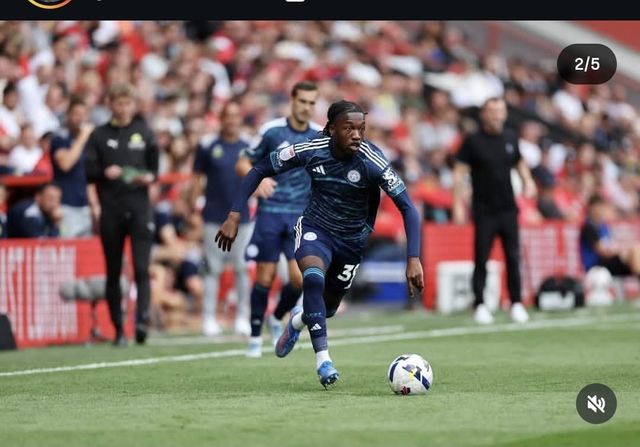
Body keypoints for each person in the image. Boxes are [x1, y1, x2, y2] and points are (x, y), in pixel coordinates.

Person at [216, 100, 424, 388]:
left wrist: (413, 257)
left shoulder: (372, 161)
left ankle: (298, 320)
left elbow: (408, 208)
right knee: (312, 278)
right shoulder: (311, 149)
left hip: (351, 241)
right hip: (316, 229)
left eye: (361, 128)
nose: (356, 135)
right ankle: (323, 361)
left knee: (326, 309)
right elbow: (259, 169)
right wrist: (234, 214)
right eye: (348, 128)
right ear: (331, 129)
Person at [235, 81, 322, 357]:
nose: (306, 107)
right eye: (302, 101)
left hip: (300, 216)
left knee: (299, 279)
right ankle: (254, 338)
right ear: (292, 100)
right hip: (270, 213)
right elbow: (243, 161)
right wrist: (258, 181)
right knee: (265, 275)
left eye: (311, 103)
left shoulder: (319, 136)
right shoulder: (271, 131)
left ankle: (276, 317)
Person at [84, 83, 159, 347]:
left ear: (133, 105)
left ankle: (142, 320)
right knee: (113, 270)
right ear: (110, 104)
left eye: (127, 103)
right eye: (119, 103)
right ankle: (118, 328)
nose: (123, 108)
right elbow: (89, 172)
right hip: (111, 209)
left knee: (141, 267)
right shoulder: (99, 135)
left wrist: (145, 177)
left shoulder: (144, 133)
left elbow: (154, 171)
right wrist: (105, 173)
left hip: (139, 208)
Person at [452, 97, 536, 325]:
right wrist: (458, 204)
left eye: (500, 111)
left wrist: (528, 181)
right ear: (484, 114)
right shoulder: (473, 141)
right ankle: (480, 304)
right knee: (481, 257)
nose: (496, 115)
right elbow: (459, 172)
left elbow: (519, 162)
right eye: (492, 111)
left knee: (513, 256)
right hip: (484, 209)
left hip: (508, 208)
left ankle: (516, 303)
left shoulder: (510, 137)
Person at [192, 102, 253, 336]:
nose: (232, 121)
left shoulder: (249, 145)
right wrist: (193, 209)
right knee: (212, 268)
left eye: (236, 116)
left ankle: (242, 317)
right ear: (221, 118)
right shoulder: (208, 145)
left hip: (242, 217)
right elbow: (197, 178)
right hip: (213, 216)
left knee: (241, 267)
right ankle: (208, 317)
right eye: (228, 116)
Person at [50, 98, 98, 237]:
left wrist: (94, 205)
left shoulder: (90, 143)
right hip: (65, 206)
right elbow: (65, 164)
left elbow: (89, 177)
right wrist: (82, 136)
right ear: (68, 115)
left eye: (83, 114)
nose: (80, 118)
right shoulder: (60, 139)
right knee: (67, 246)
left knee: (86, 248)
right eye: (76, 114)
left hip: (85, 207)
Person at [580, 194, 640, 277]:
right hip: (596, 265)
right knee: (633, 251)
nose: (599, 210)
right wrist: (620, 251)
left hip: (608, 261)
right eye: (596, 207)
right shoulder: (588, 227)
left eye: (601, 207)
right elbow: (603, 252)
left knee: (635, 250)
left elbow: (611, 244)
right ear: (590, 208)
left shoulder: (604, 227)